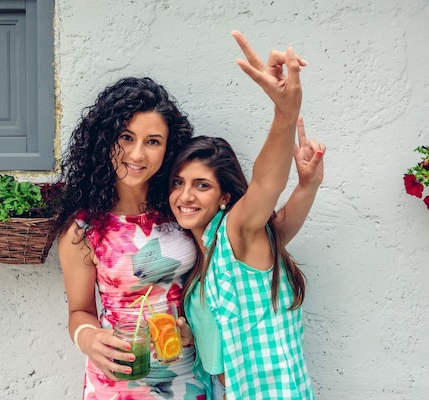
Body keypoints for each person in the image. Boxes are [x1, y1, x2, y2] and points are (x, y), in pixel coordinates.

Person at [169, 31, 325, 400]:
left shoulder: (235, 231)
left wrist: (285, 113)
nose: (185, 196)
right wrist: (307, 187)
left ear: (225, 196)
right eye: (178, 182)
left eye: (201, 185)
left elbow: (266, 183)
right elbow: (281, 223)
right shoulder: (203, 256)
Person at [54, 77, 206, 399]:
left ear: (168, 148)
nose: (137, 154)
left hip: (185, 375)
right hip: (119, 378)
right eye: (126, 137)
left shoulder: (182, 209)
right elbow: (79, 311)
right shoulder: (83, 229)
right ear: (105, 140)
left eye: (153, 141)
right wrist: (88, 338)